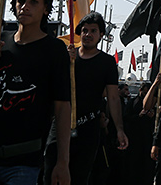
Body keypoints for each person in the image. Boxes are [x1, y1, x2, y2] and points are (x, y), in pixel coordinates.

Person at [0, 0, 71, 185]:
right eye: (20, 1)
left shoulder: (54, 50)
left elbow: (62, 108)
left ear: (45, 8)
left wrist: (62, 162)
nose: (25, 6)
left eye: (33, 1)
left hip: (24, 162)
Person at [44, 11, 128, 185]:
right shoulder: (67, 57)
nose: (88, 34)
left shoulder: (107, 62)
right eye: (84, 30)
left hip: (88, 128)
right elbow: (51, 86)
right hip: (60, 125)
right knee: (50, 173)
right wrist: (65, 62)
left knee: (79, 177)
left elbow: (113, 98)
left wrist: (119, 129)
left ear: (101, 35)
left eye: (93, 31)